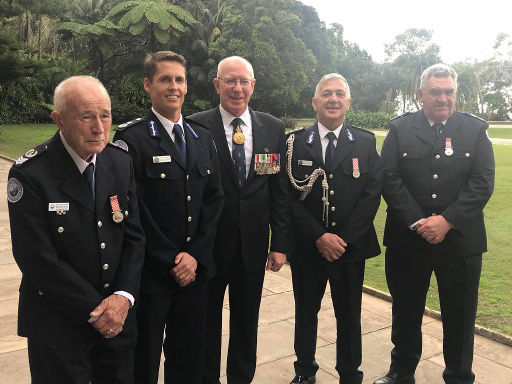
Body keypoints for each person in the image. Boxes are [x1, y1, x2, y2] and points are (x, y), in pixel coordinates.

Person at [7, 76, 145, 384]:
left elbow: (134, 237)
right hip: (58, 323)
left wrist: (123, 297)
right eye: (86, 117)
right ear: (59, 120)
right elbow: (36, 258)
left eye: (105, 115)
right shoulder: (31, 174)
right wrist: (97, 310)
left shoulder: (120, 163)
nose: (99, 127)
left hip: (117, 318)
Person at [375, 64, 495, 384]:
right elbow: (389, 178)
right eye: (435, 92)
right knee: (405, 310)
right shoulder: (400, 129)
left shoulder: (475, 129)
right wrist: (420, 222)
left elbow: (482, 183)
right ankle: (401, 371)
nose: (443, 98)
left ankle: (458, 375)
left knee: (460, 315)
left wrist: (446, 221)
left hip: (460, 240)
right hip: (408, 239)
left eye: (449, 92)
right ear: (420, 95)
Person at [113, 51, 224, 384]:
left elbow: (213, 200)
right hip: (151, 275)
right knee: (142, 361)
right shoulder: (130, 139)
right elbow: (132, 210)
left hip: (195, 273)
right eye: (165, 79)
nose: (173, 87)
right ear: (148, 85)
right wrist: (171, 259)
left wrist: (195, 256)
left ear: (187, 86)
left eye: (179, 80)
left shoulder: (201, 137)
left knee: (188, 359)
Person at [188, 56, 289, 384]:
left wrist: (280, 244)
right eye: (230, 81)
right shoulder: (195, 126)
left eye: (244, 81)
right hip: (209, 247)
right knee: (205, 323)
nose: (237, 88)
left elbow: (278, 190)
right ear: (217, 85)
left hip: (252, 247)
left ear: (253, 86)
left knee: (246, 324)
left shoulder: (272, 128)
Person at [285, 73, 382, 384]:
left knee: (349, 317)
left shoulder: (365, 142)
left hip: (349, 249)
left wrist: (343, 239)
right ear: (315, 102)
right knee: (305, 314)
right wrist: (318, 236)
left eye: (340, 94)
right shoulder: (295, 142)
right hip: (308, 247)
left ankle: (350, 374)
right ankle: (304, 372)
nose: (333, 99)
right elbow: (287, 196)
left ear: (348, 102)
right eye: (326, 93)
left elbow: (372, 194)